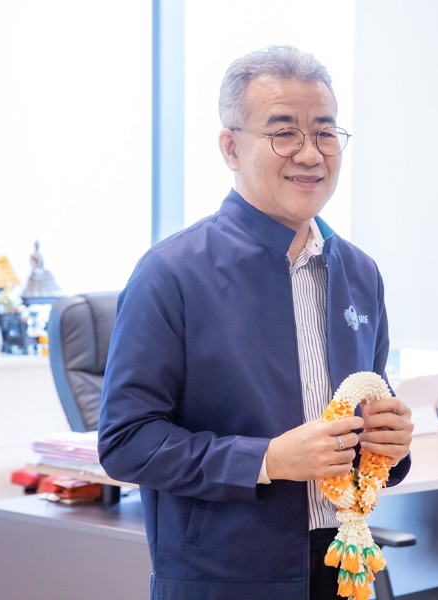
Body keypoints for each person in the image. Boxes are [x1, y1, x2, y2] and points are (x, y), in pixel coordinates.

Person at [98, 45, 414, 600]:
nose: (310, 154)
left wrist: (391, 443)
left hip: (344, 566)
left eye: (325, 132)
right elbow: (127, 441)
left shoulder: (360, 273)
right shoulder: (171, 274)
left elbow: (368, 420)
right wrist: (267, 461)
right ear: (231, 147)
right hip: (225, 575)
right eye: (284, 133)